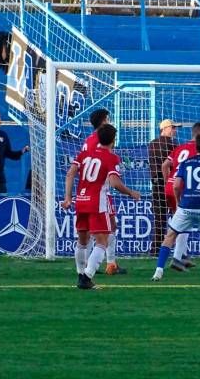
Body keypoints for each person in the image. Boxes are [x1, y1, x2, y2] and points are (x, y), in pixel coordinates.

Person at [61, 124, 141, 290]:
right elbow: (114, 182)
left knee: (82, 241)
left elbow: (70, 174)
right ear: (113, 140)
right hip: (97, 203)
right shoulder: (111, 157)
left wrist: (68, 198)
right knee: (102, 241)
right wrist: (131, 192)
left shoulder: (84, 154)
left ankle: (80, 274)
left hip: (81, 200)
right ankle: (87, 277)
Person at [152, 133, 200, 281]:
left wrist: (179, 201)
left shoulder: (186, 163)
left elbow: (176, 186)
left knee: (170, 236)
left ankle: (158, 271)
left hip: (186, 205)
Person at [81, 108, 125, 275]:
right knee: (109, 226)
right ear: (103, 121)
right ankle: (107, 263)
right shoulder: (100, 141)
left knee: (96, 229)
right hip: (99, 189)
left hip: (89, 188)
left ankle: (98, 263)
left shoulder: (88, 139)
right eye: (107, 119)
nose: (109, 121)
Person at [162, 122, 200, 268]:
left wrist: (167, 182)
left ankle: (183, 255)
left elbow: (165, 165)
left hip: (170, 187)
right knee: (184, 223)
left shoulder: (180, 148)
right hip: (182, 189)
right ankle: (177, 258)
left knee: (179, 220)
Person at [147, 118, 181, 255]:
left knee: (159, 219)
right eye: (172, 128)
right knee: (177, 217)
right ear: (164, 129)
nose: (175, 130)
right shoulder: (172, 145)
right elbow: (173, 165)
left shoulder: (152, 144)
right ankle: (178, 251)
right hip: (169, 185)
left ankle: (156, 250)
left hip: (156, 185)